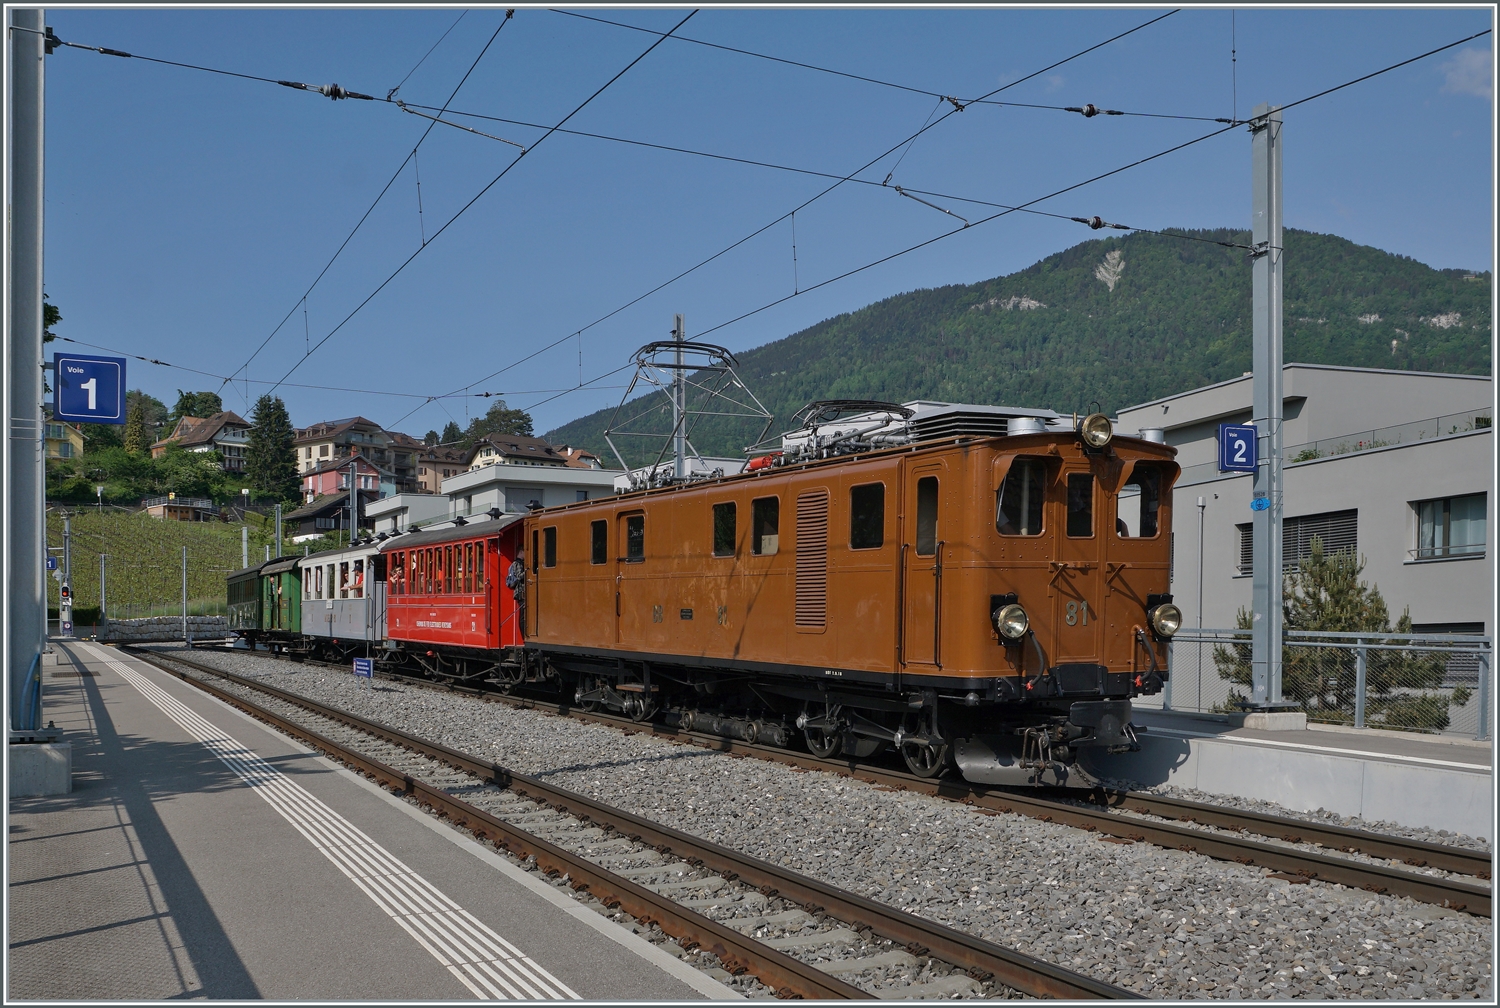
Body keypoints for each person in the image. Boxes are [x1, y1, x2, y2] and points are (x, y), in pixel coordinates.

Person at [506, 548, 526, 634]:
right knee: (523, 615)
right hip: (520, 592)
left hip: (520, 592)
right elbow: (519, 576)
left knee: (523, 615)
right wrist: (528, 570)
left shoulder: (518, 563)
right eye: (525, 552)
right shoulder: (518, 563)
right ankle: (523, 635)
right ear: (521, 552)